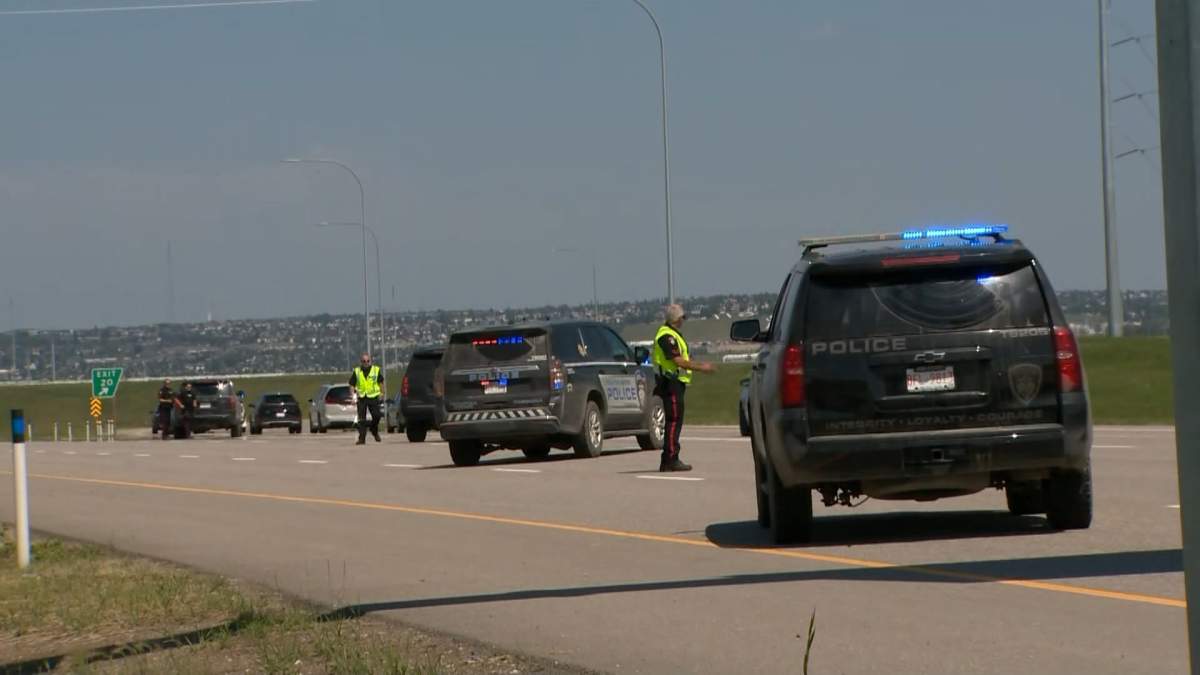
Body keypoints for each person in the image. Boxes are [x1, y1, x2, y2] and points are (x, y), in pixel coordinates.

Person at [653, 304, 716, 472]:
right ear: (676, 319)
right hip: (670, 383)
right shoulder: (667, 336)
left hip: (676, 383)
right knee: (673, 420)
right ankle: (670, 459)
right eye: (681, 318)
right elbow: (678, 361)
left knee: (675, 420)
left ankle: (669, 458)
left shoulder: (673, 335)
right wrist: (701, 367)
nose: (683, 321)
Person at [350, 353, 384, 445]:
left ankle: (374, 430)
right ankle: (362, 439)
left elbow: (381, 382)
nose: (366, 363)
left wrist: (381, 393)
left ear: (370, 361)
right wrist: (353, 397)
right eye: (364, 361)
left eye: (367, 361)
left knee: (377, 415)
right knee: (362, 419)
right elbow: (352, 384)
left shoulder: (376, 370)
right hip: (361, 397)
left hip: (373, 397)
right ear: (361, 362)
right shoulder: (357, 371)